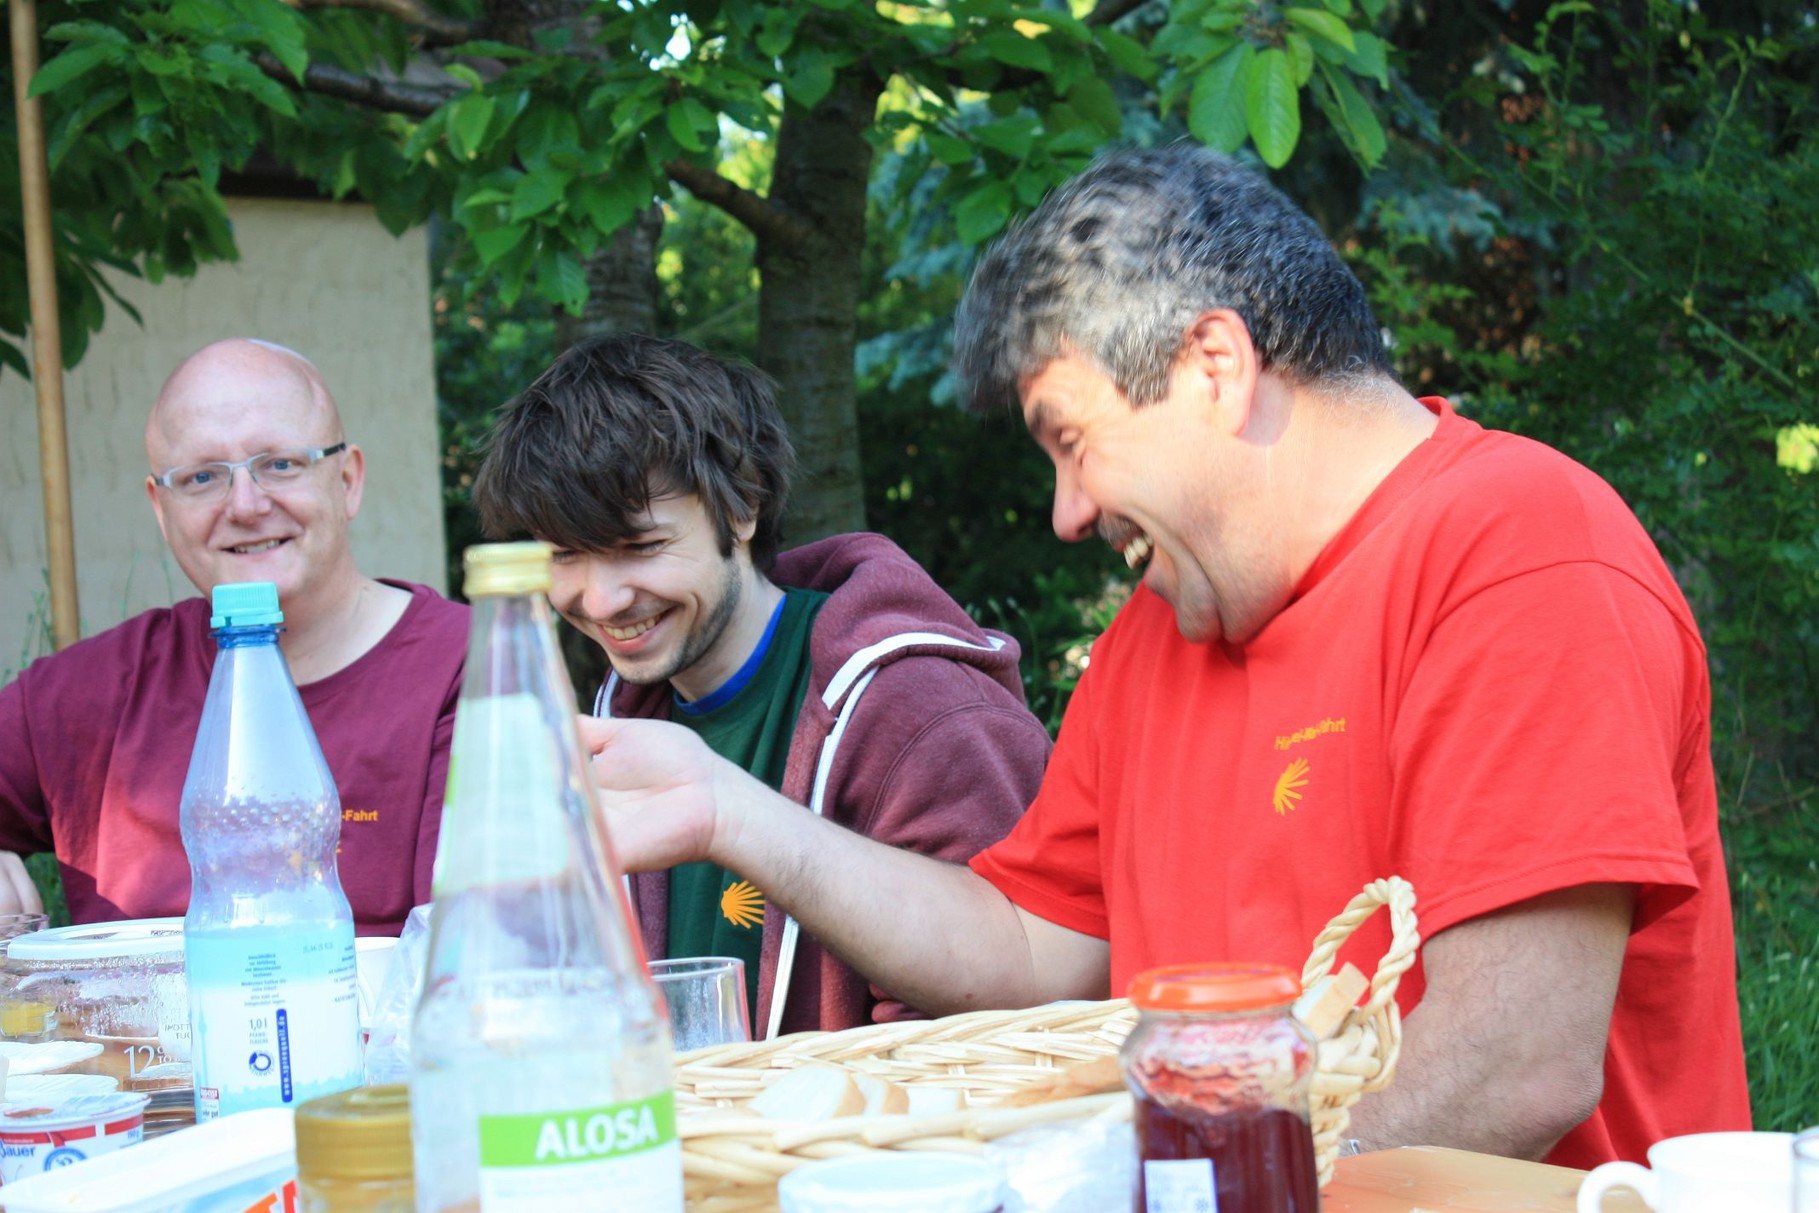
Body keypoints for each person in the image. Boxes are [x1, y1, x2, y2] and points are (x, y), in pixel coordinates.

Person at [577, 147, 1750, 1168]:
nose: (1067, 511)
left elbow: (1510, 1069)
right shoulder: (1163, 629)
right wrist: (729, 811)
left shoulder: (1520, 552)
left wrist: (1203, 1188)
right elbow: (1024, 947)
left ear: (1212, 367)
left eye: (1072, 443)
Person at [471, 333, 1049, 1038]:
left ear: (741, 507)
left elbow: (993, 1039)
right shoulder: (617, 720)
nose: (600, 599)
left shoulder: (925, 710)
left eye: (639, 547)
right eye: (564, 554)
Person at [0, 338, 467, 935]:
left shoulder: (468, 667)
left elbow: (480, 957)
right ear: (161, 510)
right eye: (202, 477)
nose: (246, 506)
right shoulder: (90, 693)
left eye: (280, 464)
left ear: (347, 480)